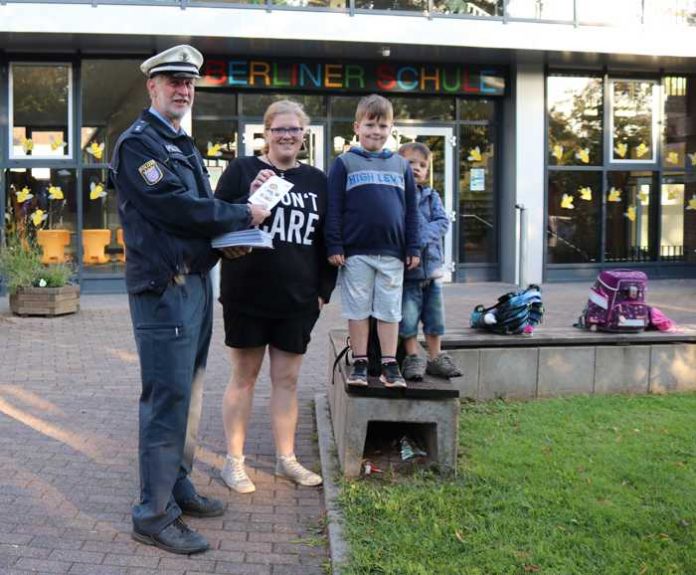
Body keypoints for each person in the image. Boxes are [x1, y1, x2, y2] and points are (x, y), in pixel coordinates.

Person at [109, 45, 270, 555]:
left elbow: (197, 216)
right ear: (151, 87)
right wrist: (241, 215)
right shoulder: (139, 145)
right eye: (173, 80)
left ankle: (176, 485)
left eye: (189, 83)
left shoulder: (181, 143)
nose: (183, 89)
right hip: (164, 291)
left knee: (191, 393)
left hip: (196, 285)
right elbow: (178, 210)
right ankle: (153, 513)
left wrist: (229, 239)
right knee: (167, 399)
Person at [214, 100, 337, 494]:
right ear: (265, 133)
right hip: (246, 294)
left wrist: (323, 292)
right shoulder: (242, 170)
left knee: (287, 380)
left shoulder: (318, 180)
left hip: (297, 300)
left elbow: (328, 238)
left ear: (304, 135)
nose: (287, 135)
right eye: (279, 129)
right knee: (244, 378)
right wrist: (245, 204)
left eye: (294, 129)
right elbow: (217, 219)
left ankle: (287, 460)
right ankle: (234, 463)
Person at [325, 94, 420, 389]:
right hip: (356, 253)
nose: (375, 131)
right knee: (358, 310)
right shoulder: (344, 163)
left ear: (391, 128)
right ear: (357, 126)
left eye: (382, 125)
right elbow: (334, 208)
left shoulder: (401, 166)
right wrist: (335, 244)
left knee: (390, 310)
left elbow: (412, 211)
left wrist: (413, 246)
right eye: (370, 124)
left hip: (392, 253)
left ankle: (390, 364)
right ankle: (361, 360)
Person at [397, 142, 462, 380]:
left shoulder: (431, 195)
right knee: (409, 319)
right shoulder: (396, 196)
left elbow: (442, 222)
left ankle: (436, 357)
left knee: (435, 319)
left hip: (432, 271)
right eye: (410, 162)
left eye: (422, 165)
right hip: (409, 274)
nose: (416, 168)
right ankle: (413, 357)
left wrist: (418, 237)